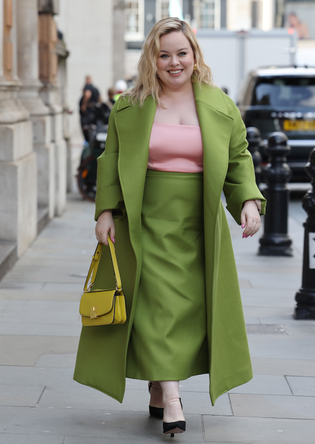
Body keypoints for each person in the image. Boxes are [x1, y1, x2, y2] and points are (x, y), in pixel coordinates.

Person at [74, 18, 266, 437]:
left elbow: (237, 158)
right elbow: (111, 158)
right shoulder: (130, 105)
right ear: (152, 59)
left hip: (200, 222)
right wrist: (105, 211)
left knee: (186, 310)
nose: (174, 62)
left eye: (182, 53)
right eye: (164, 55)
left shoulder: (219, 104)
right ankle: (174, 398)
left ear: (194, 55)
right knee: (157, 305)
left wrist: (249, 201)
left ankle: (160, 390)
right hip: (143, 220)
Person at [79, 75, 102, 141]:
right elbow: (100, 99)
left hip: (88, 114)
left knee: (86, 131)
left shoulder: (88, 87)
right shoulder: (96, 88)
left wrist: (84, 104)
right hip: (94, 113)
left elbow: (87, 94)